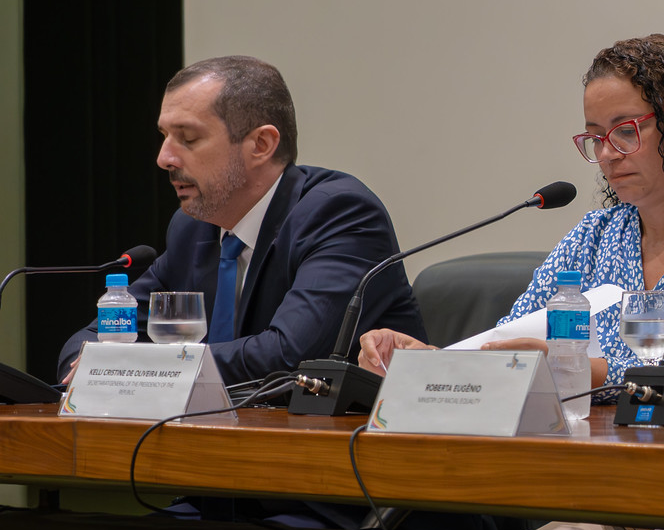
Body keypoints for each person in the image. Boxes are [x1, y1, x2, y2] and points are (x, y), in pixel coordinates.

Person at [358, 33, 664, 400]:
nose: (608, 154)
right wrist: (428, 362)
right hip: (605, 467)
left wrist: (567, 368)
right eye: (596, 138)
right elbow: (514, 343)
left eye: (626, 130)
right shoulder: (598, 234)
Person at [58, 56, 425, 387]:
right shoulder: (191, 229)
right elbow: (100, 334)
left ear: (261, 145)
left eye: (187, 138)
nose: (164, 158)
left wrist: (140, 369)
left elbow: (289, 355)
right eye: (164, 137)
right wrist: (91, 364)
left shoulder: (339, 214)